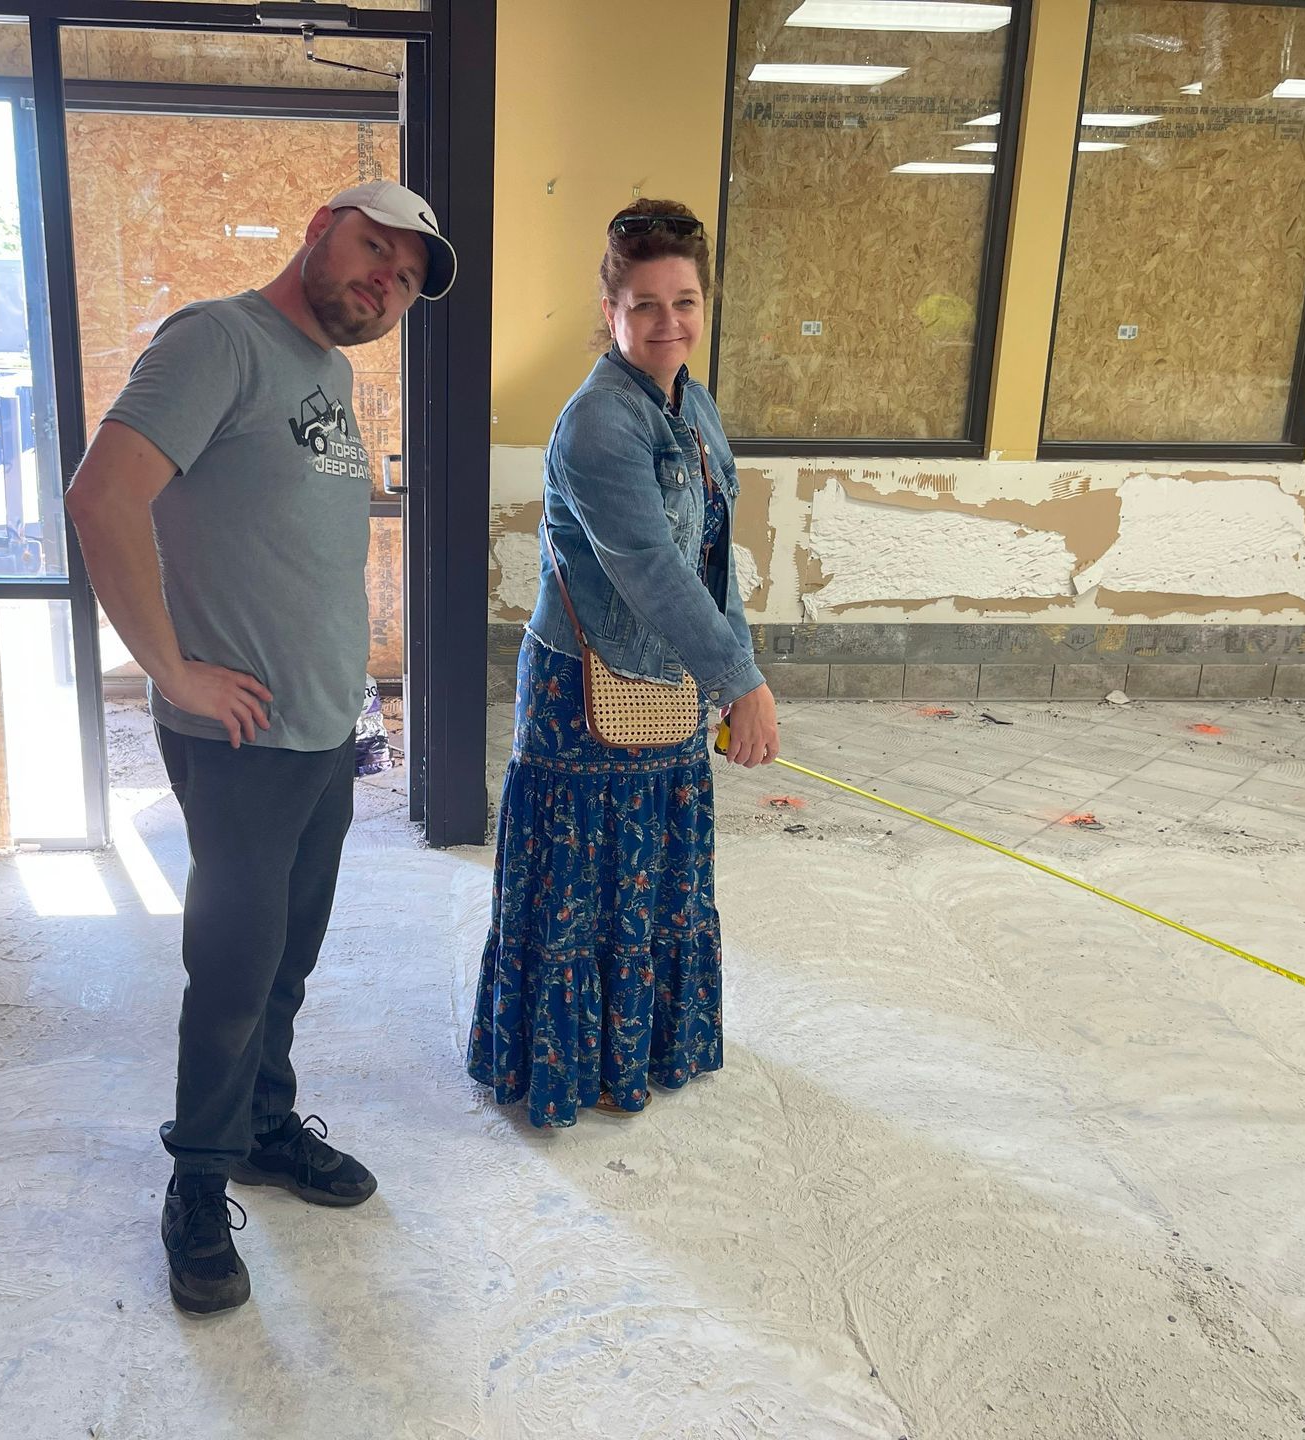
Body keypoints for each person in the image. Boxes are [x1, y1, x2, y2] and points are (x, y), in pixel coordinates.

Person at [65, 179, 455, 1315]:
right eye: (373, 250)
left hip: (319, 733)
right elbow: (103, 499)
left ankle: (264, 1128)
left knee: (286, 958)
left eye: (405, 279)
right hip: (236, 738)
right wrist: (170, 669)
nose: (384, 282)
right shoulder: (218, 340)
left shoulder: (329, 375)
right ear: (321, 229)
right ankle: (194, 1182)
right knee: (233, 969)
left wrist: (350, 711)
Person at [466, 198, 778, 1128]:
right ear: (610, 310)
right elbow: (647, 570)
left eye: (684, 300)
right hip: (586, 689)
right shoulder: (600, 421)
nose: (668, 322)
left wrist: (738, 668)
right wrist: (740, 683)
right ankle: (569, 1068)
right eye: (645, 304)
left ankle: (638, 1049)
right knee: (586, 890)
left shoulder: (692, 403)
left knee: (651, 880)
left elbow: (715, 556)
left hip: (669, 677)